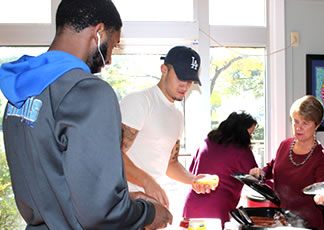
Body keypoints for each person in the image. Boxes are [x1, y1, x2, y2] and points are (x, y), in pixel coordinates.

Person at [0, 0, 172, 229]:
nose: (109, 59)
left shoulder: (20, 93)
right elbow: (101, 215)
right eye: (112, 45)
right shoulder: (88, 92)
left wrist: (125, 200)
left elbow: (57, 187)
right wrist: (149, 213)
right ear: (98, 32)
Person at [120, 46, 216, 209]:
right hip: (125, 200)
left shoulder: (177, 115)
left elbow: (170, 164)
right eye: (181, 78)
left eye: (190, 80)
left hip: (150, 203)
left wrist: (193, 179)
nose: (185, 86)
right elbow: (112, 154)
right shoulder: (140, 102)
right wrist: (147, 181)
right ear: (164, 69)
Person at [249, 95, 324, 230]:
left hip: (307, 225)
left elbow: (323, 192)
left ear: (317, 125)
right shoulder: (285, 145)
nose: (298, 128)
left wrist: (323, 198)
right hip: (280, 221)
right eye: (296, 121)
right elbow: (271, 168)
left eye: (305, 123)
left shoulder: (322, 158)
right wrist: (260, 172)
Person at [182, 111, 258, 226]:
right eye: (250, 132)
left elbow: (192, 173)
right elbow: (256, 180)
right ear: (241, 131)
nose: (251, 137)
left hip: (191, 207)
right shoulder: (241, 150)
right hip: (217, 211)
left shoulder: (206, 142)